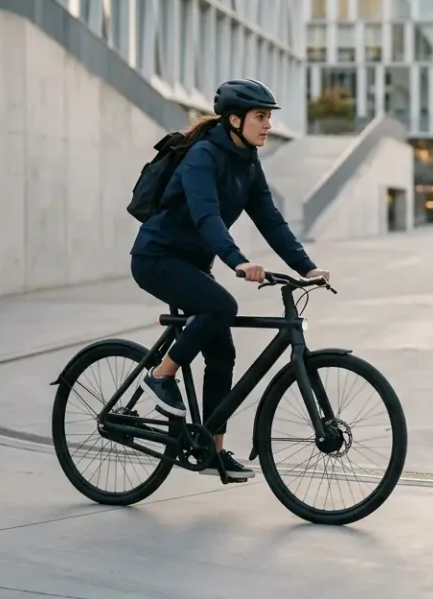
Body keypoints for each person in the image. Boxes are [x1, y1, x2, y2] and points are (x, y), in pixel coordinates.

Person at [129, 78, 330, 479]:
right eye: (261, 116)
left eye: (269, 117)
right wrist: (237, 261)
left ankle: (212, 450)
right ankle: (161, 375)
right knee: (222, 305)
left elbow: (270, 220)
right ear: (235, 120)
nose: (268, 125)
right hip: (157, 258)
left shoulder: (248, 162)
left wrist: (306, 267)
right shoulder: (202, 157)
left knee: (222, 352)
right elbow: (207, 217)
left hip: (193, 264)